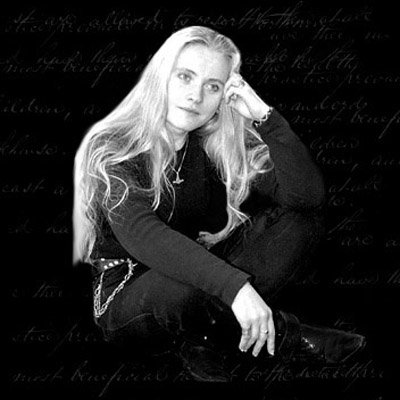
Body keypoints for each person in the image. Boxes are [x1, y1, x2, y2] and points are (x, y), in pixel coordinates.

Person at [73, 26, 366, 381]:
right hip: (130, 291)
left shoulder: (214, 143)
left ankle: (200, 339)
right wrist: (236, 288)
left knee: (302, 221)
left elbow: (306, 197)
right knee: (186, 288)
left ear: (223, 97)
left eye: (212, 86)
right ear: (160, 77)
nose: (195, 96)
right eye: (185, 76)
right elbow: (143, 234)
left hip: (201, 270)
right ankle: (292, 336)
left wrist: (264, 117)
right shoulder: (113, 146)